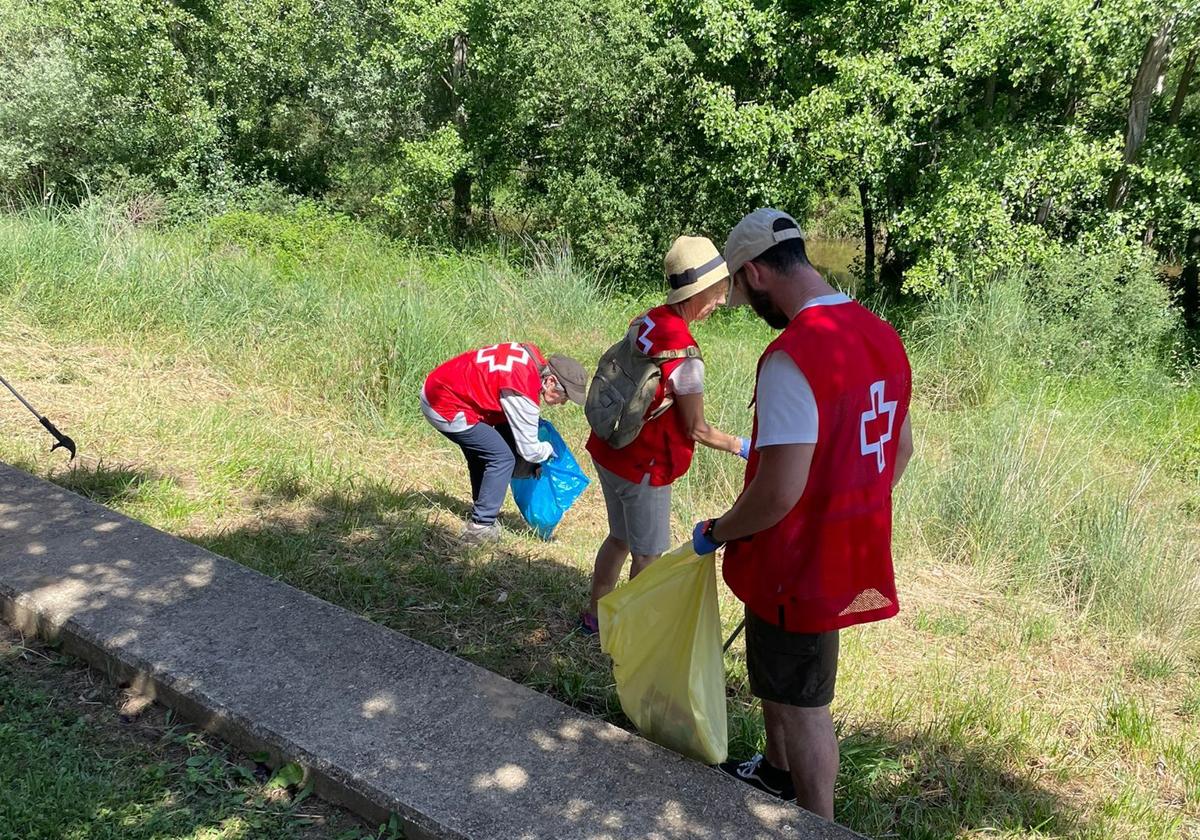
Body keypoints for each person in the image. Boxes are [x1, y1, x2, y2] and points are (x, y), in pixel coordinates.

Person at [691, 209, 914, 821]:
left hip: (797, 562)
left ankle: (819, 823)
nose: (746, 303)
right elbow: (900, 452)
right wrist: (847, 504)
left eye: (740, 289)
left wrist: (718, 529)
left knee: (807, 706)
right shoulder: (878, 333)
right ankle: (775, 772)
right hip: (843, 549)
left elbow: (777, 491)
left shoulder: (794, 355)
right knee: (783, 679)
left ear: (757, 274)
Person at [581, 236, 750, 634]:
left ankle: (595, 617)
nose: (721, 301)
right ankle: (632, 637)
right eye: (718, 292)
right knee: (648, 555)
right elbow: (697, 429)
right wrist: (742, 446)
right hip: (645, 468)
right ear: (699, 291)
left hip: (609, 448)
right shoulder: (685, 357)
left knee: (618, 539)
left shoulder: (647, 319)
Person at [421, 343, 588, 543]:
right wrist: (550, 450)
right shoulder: (522, 388)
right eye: (565, 396)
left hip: (442, 385)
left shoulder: (530, 358)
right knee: (500, 457)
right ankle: (480, 528)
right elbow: (530, 451)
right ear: (550, 381)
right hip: (444, 404)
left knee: (487, 450)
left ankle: (482, 509)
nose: (563, 403)